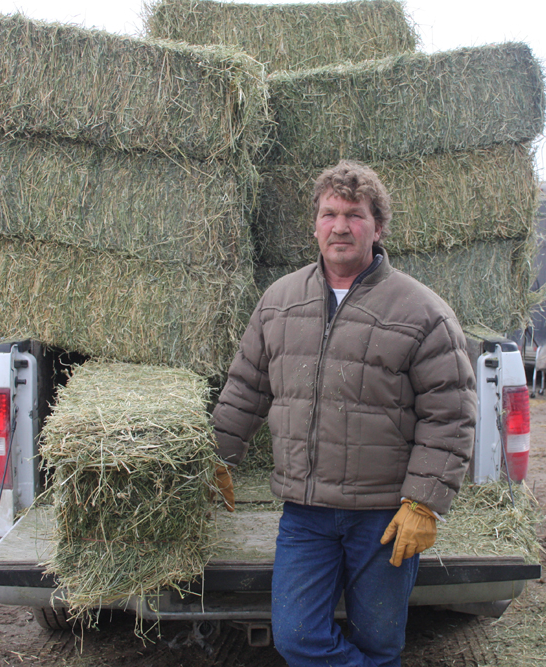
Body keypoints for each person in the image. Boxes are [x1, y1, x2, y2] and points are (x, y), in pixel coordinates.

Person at [211, 160, 476, 666]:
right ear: (314, 224)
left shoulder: (421, 310)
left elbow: (451, 414)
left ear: (377, 227)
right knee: (296, 637)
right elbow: (246, 387)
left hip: (382, 516)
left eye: (354, 215)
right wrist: (219, 457)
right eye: (329, 213)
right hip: (305, 514)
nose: (340, 226)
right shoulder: (279, 302)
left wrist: (424, 502)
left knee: (377, 642)